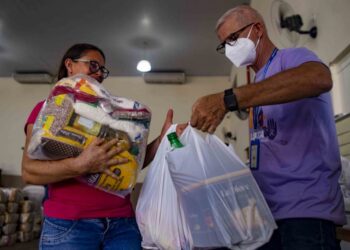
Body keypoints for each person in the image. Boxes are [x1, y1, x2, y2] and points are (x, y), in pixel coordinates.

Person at [190, 5, 345, 250]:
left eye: (233, 38)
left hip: (305, 214)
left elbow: (319, 78)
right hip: (265, 217)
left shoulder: (291, 59)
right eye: (224, 44)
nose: (230, 48)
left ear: (258, 29)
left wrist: (228, 99)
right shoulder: (259, 85)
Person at [22, 43, 185, 250]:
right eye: (93, 65)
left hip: (122, 224)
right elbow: (29, 172)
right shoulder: (48, 109)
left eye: (102, 69)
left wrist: (161, 141)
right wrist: (81, 165)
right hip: (71, 225)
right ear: (69, 65)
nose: (99, 73)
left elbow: (130, 164)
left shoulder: (112, 115)